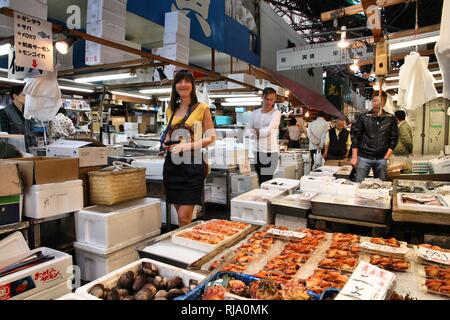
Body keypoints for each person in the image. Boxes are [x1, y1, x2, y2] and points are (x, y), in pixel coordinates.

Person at [161, 70, 216, 227]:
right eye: (179, 81)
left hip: (192, 165)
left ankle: (188, 245)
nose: (183, 84)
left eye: (187, 81)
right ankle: (182, 245)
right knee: (179, 217)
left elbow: (211, 138)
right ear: (175, 85)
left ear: (192, 85)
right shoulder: (170, 110)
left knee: (184, 218)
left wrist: (185, 146)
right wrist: (166, 142)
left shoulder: (202, 108)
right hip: (172, 166)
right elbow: (169, 134)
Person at [351, 91, 399, 182]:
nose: (376, 104)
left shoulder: (390, 118)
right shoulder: (363, 117)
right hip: (364, 157)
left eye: (379, 101)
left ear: (384, 102)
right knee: (359, 184)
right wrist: (354, 157)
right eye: (374, 101)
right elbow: (356, 137)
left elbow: (394, 139)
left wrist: (386, 157)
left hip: (381, 158)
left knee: (381, 186)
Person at [246, 87, 281, 184]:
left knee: (266, 182)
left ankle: (266, 199)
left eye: (272, 99)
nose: (269, 102)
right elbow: (247, 131)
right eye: (267, 99)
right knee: (260, 181)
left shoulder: (276, 113)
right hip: (257, 151)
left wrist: (256, 131)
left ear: (274, 99)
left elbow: (269, 131)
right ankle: (262, 199)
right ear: (262, 97)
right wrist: (258, 132)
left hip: (270, 153)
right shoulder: (254, 113)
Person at [0, 87, 35, 151]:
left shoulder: (28, 112)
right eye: (24, 95)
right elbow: (4, 135)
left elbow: (32, 131)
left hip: (29, 151)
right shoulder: (5, 112)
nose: (27, 98)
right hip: (14, 151)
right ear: (15, 96)